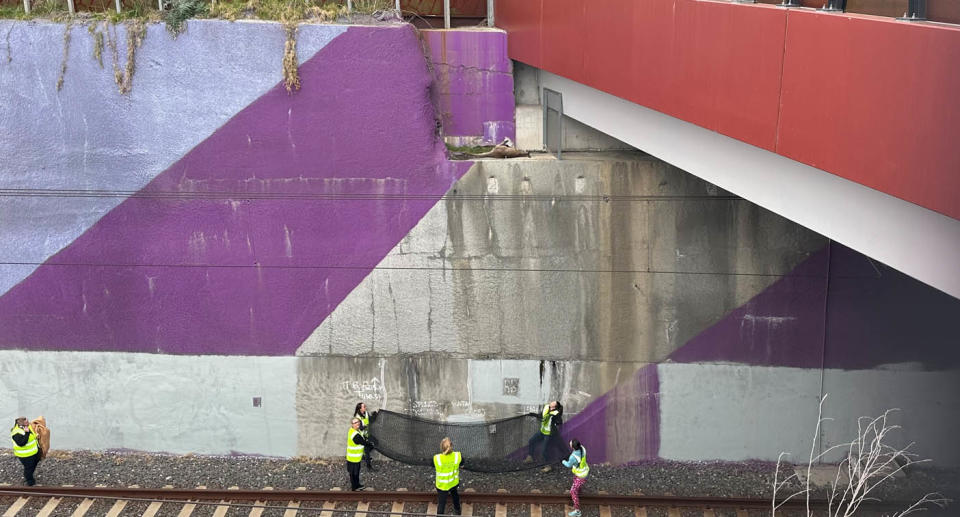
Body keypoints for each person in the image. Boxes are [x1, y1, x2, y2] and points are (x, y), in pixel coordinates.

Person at [525, 401, 562, 471]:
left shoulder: (555, 414)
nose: (551, 402)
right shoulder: (547, 409)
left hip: (548, 434)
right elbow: (541, 416)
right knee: (531, 441)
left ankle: (548, 466)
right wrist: (533, 414)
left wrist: (555, 421)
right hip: (542, 432)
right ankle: (530, 457)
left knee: (544, 451)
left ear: (555, 406)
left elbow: (559, 422)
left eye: (553, 402)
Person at [433, 437, 462, 515]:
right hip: (453, 483)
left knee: (441, 503)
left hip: (442, 485)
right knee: (455, 496)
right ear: (451, 446)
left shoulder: (437, 458)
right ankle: (458, 511)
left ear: (441, 447)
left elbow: (432, 464)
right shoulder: (457, 456)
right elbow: (462, 463)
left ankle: (440, 515)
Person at [561, 439, 589, 517]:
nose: (570, 443)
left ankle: (577, 511)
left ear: (572, 447)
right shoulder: (582, 448)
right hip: (584, 470)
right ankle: (579, 489)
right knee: (575, 479)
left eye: (571, 443)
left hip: (581, 475)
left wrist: (563, 461)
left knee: (572, 492)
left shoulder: (573, 457)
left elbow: (568, 465)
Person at [10, 417, 41, 486]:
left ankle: (29, 476)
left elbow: (32, 435)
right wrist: (27, 433)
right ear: (22, 423)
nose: (28, 422)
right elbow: (21, 443)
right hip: (25, 455)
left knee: (33, 465)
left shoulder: (28, 426)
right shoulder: (16, 432)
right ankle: (30, 482)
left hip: (34, 452)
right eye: (26, 422)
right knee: (29, 468)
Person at [346, 417, 374, 491]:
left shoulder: (354, 430)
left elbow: (362, 432)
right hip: (353, 458)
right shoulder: (355, 435)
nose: (357, 423)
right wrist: (371, 445)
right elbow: (363, 442)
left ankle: (357, 485)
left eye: (358, 422)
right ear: (352, 424)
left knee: (356, 472)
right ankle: (355, 487)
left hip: (355, 457)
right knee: (354, 473)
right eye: (355, 423)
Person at [354, 402, 376, 471]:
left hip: (367, 434)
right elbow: (358, 428)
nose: (365, 407)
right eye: (364, 407)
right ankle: (369, 467)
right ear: (360, 409)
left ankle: (364, 456)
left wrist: (375, 415)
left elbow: (370, 420)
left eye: (365, 406)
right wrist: (363, 427)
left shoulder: (366, 413)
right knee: (366, 450)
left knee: (375, 443)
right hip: (362, 436)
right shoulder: (357, 417)